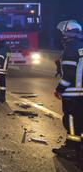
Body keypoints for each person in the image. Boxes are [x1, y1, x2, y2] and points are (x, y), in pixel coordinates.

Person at [52, 20, 83, 163]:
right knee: (80, 121)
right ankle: (79, 147)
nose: (62, 35)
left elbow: (69, 74)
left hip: (73, 93)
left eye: (63, 33)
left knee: (71, 120)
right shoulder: (81, 47)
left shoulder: (70, 49)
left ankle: (71, 149)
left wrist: (59, 89)